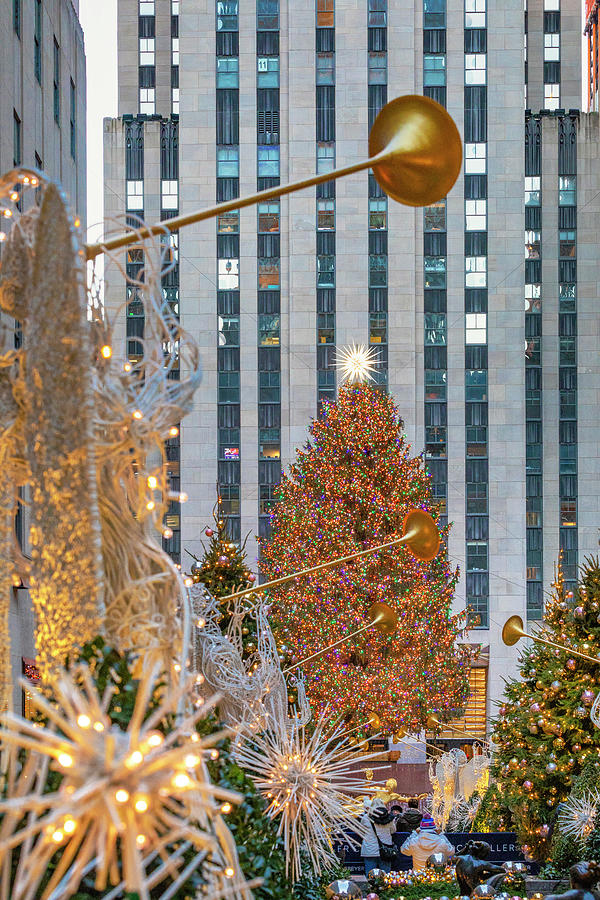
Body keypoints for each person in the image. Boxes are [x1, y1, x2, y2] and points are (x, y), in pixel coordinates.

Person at [360, 799, 397, 876]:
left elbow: (361, 831)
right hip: (386, 850)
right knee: (386, 876)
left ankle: (371, 887)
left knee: (370, 875)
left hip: (370, 850)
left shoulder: (366, 818)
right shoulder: (389, 818)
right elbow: (393, 831)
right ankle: (385, 887)